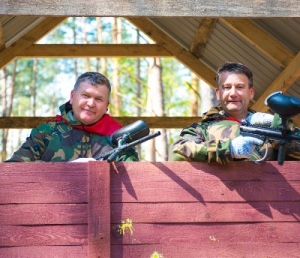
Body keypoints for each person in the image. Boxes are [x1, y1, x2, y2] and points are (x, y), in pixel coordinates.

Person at [170, 62, 300, 164]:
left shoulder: (269, 125)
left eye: (240, 87)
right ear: (218, 93)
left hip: (269, 195)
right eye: (227, 87)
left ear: (251, 92)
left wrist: (281, 127)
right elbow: (177, 153)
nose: (233, 93)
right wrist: (229, 149)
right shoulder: (201, 129)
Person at [6, 72, 138, 162]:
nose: (91, 103)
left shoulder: (118, 139)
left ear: (106, 105)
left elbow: (135, 176)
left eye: (98, 99)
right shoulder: (47, 132)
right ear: (72, 97)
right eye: (85, 96)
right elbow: (13, 169)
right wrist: (64, 170)